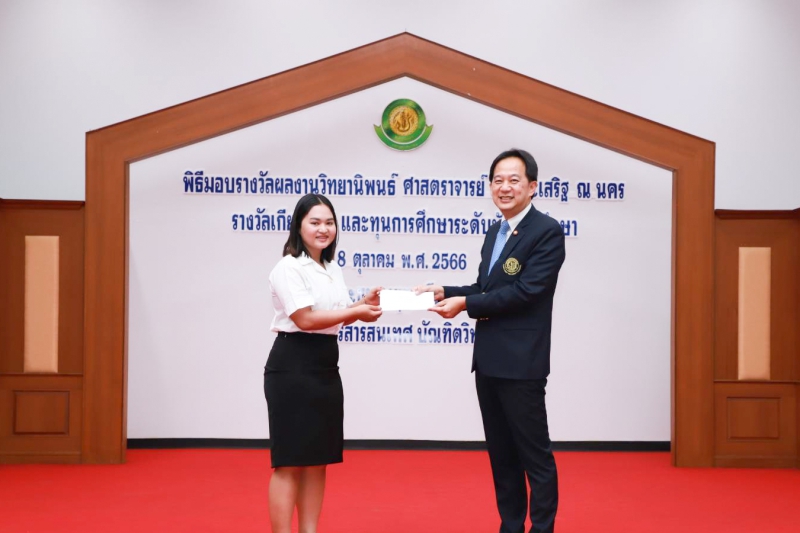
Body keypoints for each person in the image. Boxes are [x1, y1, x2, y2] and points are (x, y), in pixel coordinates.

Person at [415, 149, 565, 533]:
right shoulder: (494, 232)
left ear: (532, 186)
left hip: (522, 364)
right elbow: (486, 288)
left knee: (535, 456)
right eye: (498, 180)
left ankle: (542, 529)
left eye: (514, 180)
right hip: (489, 361)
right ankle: (510, 526)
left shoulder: (546, 231)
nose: (504, 187)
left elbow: (526, 292)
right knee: (502, 456)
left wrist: (465, 304)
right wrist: (446, 291)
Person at [264, 193, 382, 533]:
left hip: (325, 369)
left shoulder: (331, 268)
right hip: (292, 368)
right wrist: (355, 312)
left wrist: (361, 305)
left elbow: (333, 316)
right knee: (289, 462)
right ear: (298, 226)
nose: (323, 229)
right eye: (314, 222)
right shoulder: (288, 267)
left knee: (318, 461)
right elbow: (305, 319)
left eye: (329, 222)